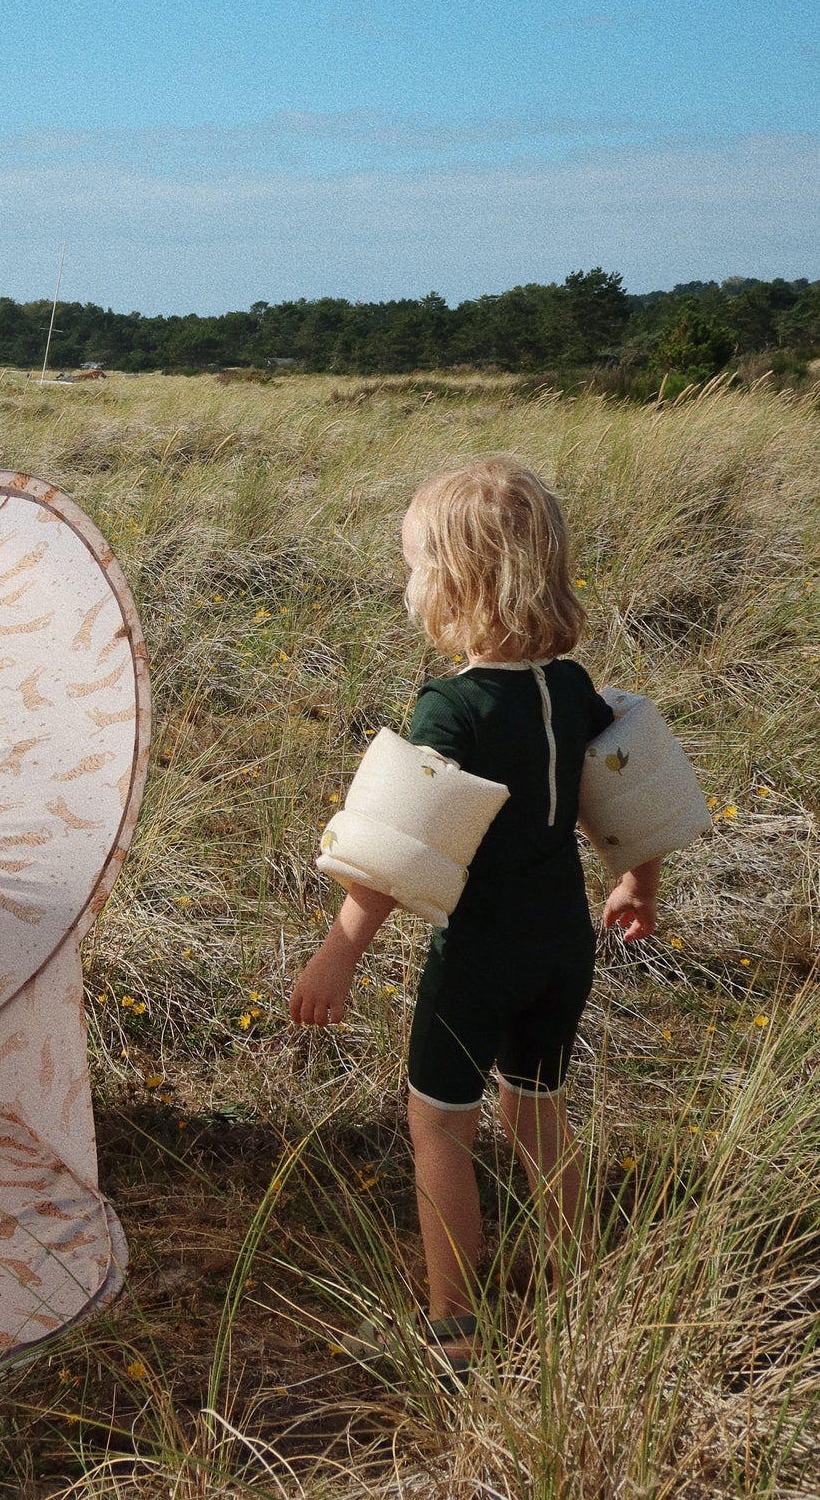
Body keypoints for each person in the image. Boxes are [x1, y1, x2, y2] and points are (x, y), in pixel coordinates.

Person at [289, 456, 661, 1376]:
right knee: (537, 1110)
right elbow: (638, 786)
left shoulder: (450, 707)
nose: (407, 579)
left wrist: (336, 958)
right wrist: (637, 884)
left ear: (455, 582)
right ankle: (580, 1273)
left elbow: (391, 849)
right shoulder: (571, 687)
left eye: (413, 564)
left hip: (482, 955)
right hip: (561, 946)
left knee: (438, 1125)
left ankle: (454, 1320)